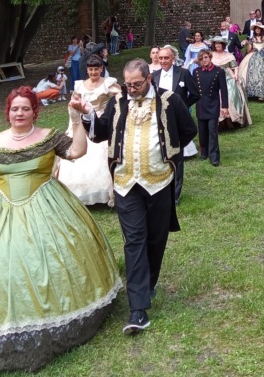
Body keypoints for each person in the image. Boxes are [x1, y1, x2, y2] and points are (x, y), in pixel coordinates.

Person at [0, 86, 122, 375]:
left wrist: (75, 119)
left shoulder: (49, 137)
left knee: (43, 262)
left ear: (34, 111)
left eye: (25, 108)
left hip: (46, 206)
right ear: (8, 112)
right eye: (15, 108)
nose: (20, 113)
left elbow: (77, 151)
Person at [71, 59, 197, 335]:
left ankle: (148, 282)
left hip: (159, 182)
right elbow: (99, 133)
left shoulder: (169, 100)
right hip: (125, 183)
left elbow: (189, 129)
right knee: (134, 240)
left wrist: (168, 153)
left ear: (148, 79)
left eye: (137, 84)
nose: (132, 89)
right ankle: (138, 309)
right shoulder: (117, 103)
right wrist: (87, 113)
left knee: (156, 238)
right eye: (128, 84)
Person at [57, 54, 121, 205]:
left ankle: (105, 192)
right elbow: (73, 104)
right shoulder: (80, 85)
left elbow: (121, 98)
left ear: (101, 69)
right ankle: (77, 193)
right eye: (91, 69)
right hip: (82, 122)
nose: (93, 72)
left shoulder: (108, 84)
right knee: (78, 157)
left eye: (96, 69)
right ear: (87, 70)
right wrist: (73, 124)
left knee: (101, 156)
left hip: (100, 123)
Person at [151, 45, 200, 203]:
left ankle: (175, 194)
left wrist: (182, 107)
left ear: (173, 58)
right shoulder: (154, 76)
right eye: (161, 58)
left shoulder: (183, 73)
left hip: (176, 121)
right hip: (158, 120)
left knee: (177, 155)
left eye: (166, 58)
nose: (163, 61)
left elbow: (195, 94)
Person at [194, 49, 229, 166]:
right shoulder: (196, 72)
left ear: (210, 57)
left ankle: (214, 157)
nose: (204, 60)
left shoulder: (219, 71)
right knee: (202, 131)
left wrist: (225, 106)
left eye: (205, 57)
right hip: (200, 105)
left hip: (213, 105)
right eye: (201, 59)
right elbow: (194, 90)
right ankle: (204, 153)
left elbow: (223, 90)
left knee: (212, 132)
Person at [210, 36, 252, 128]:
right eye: (216, 44)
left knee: (230, 95)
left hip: (227, 77)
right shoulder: (211, 55)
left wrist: (235, 75)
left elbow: (235, 67)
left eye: (220, 44)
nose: (218, 45)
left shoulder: (229, 55)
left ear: (223, 45)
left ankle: (231, 119)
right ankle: (219, 120)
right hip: (214, 77)